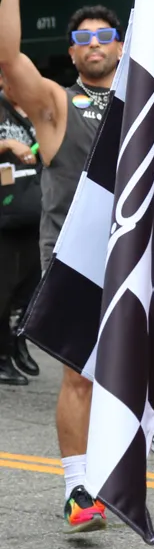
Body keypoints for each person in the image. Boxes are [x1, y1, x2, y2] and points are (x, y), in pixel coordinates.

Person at [0, 0, 122, 535]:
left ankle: (118, 474)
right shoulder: (55, 105)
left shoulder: (145, 106)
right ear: (72, 50)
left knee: (134, 374)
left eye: (105, 35)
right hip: (76, 259)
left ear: (121, 45)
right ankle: (77, 489)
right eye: (82, 37)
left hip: (137, 254)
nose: (94, 43)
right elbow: (9, 62)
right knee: (80, 373)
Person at [0, 70, 42, 385]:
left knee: (32, 286)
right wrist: (8, 144)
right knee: (4, 288)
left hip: (33, 208)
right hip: (5, 212)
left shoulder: (37, 109)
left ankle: (17, 340)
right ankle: (2, 358)